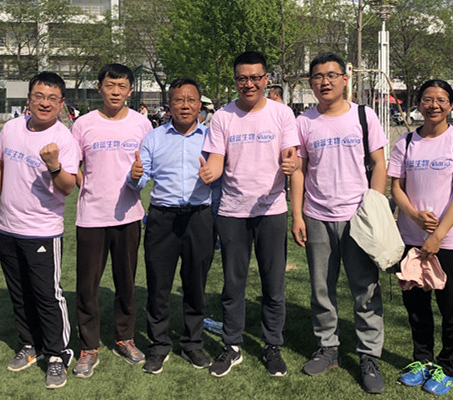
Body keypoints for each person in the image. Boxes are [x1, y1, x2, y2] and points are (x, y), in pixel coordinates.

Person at [290, 52, 387, 394]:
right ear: (311, 82)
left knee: (365, 289)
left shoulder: (363, 116)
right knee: (321, 288)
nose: (325, 82)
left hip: (358, 217)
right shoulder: (304, 121)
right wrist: (297, 214)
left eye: (332, 75)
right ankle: (327, 347)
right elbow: (299, 171)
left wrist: (374, 208)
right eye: (318, 76)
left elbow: (379, 164)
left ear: (345, 79)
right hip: (317, 216)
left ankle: (369, 355)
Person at [199, 51, 299, 378]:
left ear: (266, 79)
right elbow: (216, 159)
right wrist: (210, 172)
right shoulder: (222, 117)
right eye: (242, 78)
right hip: (232, 212)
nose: (249, 84)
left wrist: (291, 163)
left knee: (274, 284)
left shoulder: (282, 113)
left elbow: (291, 155)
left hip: (271, 210)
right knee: (233, 284)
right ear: (235, 80)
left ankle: (272, 345)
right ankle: (232, 346)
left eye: (256, 78)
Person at [0, 72, 81, 390]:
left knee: (47, 295)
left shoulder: (63, 139)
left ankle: (57, 354)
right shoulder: (12, 128)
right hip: (8, 226)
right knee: (19, 293)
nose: (45, 103)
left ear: (61, 104)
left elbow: (68, 187)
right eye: (39, 96)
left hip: (42, 230)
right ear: (28, 99)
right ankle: (29, 345)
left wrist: (54, 164)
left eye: (52, 98)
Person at [388, 80, 453, 396]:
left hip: (451, 241)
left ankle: (448, 367)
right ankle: (422, 360)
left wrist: (438, 236)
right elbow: (396, 187)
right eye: (427, 99)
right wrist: (414, 216)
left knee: (450, 308)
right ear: (419, 104)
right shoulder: (406, 142)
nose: (434, 105)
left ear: (450, 104)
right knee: (416, 306)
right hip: (411, 238)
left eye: (441, 100)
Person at [127, 78, 214, 374]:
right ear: (170, 104)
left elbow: (222, 174)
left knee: (195, 284)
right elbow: (141, 178)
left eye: (191, 100)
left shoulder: (211, 138)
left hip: (199, 217)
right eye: (179, 100)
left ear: (199, 105)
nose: (185, 105)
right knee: (158, 284)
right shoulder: (154, 137)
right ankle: (159, 345)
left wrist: (213, 178)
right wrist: (135, 176)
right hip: (162, 218)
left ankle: (193, 343)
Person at [71, 63, 151, 378]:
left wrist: (138, 178)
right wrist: (88, 187)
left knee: (126, 281)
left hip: (129, 216)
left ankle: (124, 337)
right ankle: (88, 347)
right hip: (91, 217)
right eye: (110, 85)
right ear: (99, 88)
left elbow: (147, 168)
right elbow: (73, 165)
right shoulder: (83, 124)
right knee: (87, 285)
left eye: (122, 86)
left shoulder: (141, 124)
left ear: (130, 90)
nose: (115, 92)